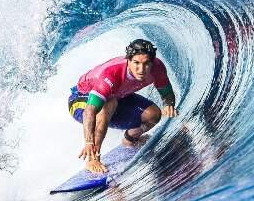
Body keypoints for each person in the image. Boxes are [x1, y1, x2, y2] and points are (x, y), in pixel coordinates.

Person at [68, 39, 178, 173]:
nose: (141, 69)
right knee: (109, 103)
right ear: (128, 60)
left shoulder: (157, 68)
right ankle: (92, 159)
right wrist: (89, 143)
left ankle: (130, 140)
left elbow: (166, 93)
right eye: (136, 63)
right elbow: (89, 112)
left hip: (118, 97)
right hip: (80, 101)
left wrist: (168, 105)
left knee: (153, 114)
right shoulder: (111, 74)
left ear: (152, 62)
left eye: (146, 64)